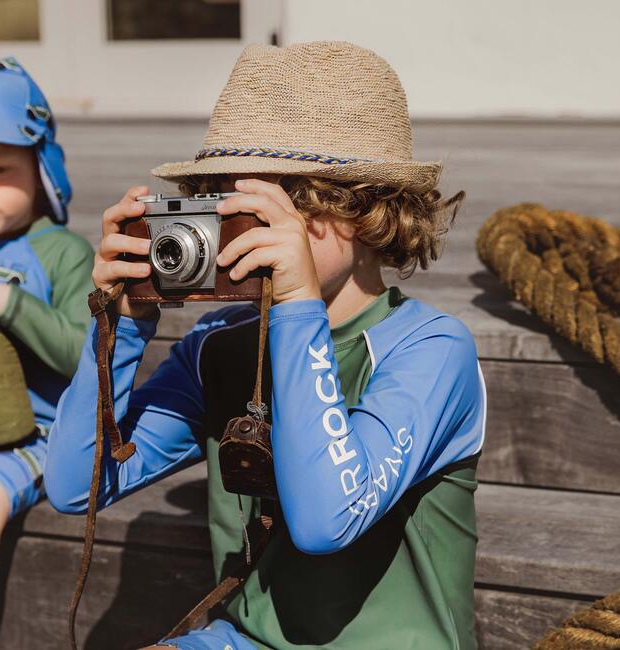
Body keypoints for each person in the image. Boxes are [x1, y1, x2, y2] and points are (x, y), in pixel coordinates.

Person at [45, 41, 487, 649]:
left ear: (368, 210)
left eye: (278, 205)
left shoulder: (433, 350)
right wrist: (121, 327)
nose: (249, 229)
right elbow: (75, 487)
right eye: (229, 201)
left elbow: (327, 521)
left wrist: (298, 309)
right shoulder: (218, 346)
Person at [0, 57, 94, 602]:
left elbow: (85, 357)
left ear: (42, 171)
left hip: (35, 442)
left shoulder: (62, 254)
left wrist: (8, 302)